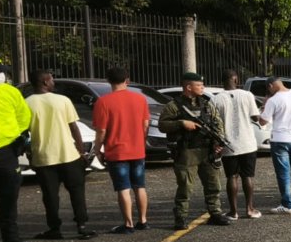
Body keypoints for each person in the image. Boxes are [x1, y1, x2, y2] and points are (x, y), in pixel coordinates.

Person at [24, 69, 95, 241]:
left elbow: (24, 132)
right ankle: (82, 226)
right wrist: (81, 151)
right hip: (68, 155)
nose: (53, 81)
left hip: (43, 156)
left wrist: (29, 154)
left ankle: (54, 228)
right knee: (77, 191)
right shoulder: (62, 100)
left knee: (49, 195)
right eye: (51, 79)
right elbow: (74, 127)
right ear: (45, 82)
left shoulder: (27, 103)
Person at [157, 72, 231, 230]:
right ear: (188, 87)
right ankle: (181, 217)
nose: (202, 87)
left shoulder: (206, 104)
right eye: (199, 85)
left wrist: (219, 142)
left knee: (213, 184)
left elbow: (217, 123)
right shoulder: (174, 106)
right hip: (186, 152)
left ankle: (215, 212)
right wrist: (181, 123)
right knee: (185, 187)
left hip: (207, 150)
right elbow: (162, 125)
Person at [91, 66, 152, 232]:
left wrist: (98, 150)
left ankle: (128, 224)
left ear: (108, 81)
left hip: (116, 151)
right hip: (137, 149)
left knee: (123, 187)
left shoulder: (103, 102)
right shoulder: (140, 99)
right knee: (140, 186)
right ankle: (143, 220)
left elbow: (101, 130)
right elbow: (145, 124)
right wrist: (141, 140)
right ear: (128, 80)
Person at [212, 70, 262, 220]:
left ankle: (233, 212)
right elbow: (255, 117)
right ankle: (250, 209)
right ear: (235, 79)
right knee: (248, 176)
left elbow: (213, 122)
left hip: (228, 144)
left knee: (231, 176)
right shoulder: (247, 95)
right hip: (247, 143)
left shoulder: (215, 99)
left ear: (222, 81)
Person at [0, 60, 32, 242]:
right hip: (4, 151)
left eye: (1, 72)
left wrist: (17, 137)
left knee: (9, 196)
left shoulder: (11, 92)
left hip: (5, 151)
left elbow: (24, 117)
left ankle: (10, 237)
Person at [258, 78, 291, 214]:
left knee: (283, 173)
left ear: (271, 86)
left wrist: (264, 106)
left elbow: (263, 121)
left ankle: (288, 204)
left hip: (280, 139)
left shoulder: (273, 100)